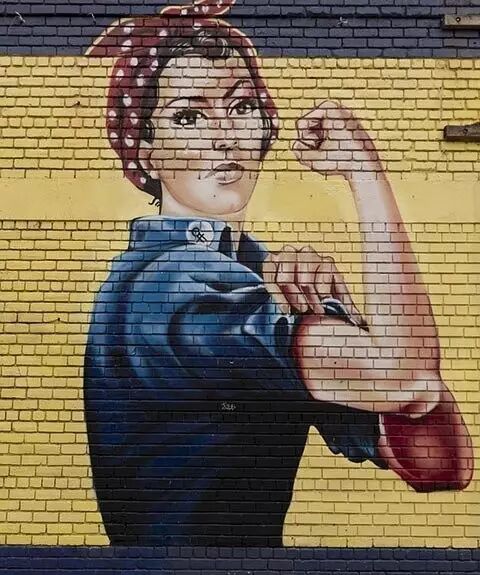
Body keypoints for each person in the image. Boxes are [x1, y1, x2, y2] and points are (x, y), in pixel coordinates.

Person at [84, 0, 473, 546]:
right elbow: (408, 380)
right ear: (145, 152)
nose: (224, 136)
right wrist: (365, 174)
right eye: (189, 117)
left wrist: (341, 316)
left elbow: (438, 462)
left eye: (241, 107)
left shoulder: (251, 278)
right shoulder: (167, 286)